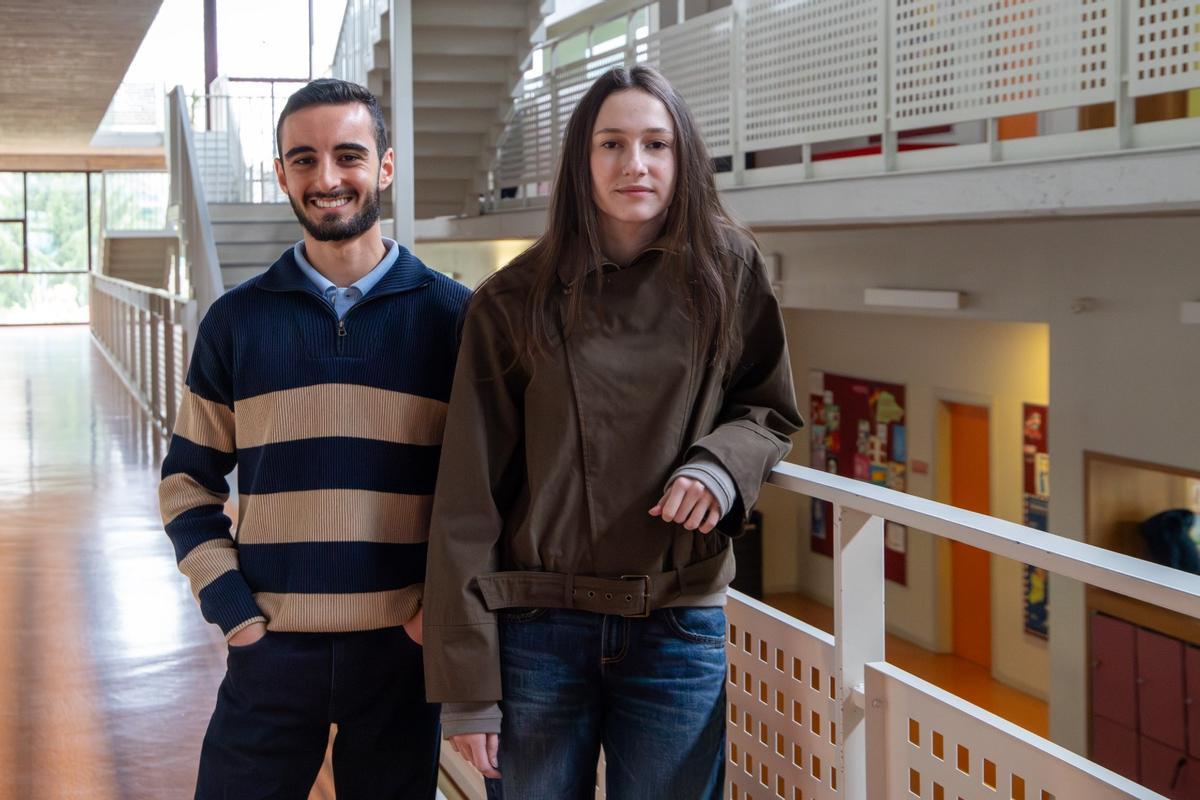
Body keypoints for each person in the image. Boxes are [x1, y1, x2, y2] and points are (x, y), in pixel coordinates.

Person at [423, 66, 803, 799]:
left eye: (657, 144)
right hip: (536, 629)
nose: (636, 164)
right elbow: (467, 503)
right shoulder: (509, 301)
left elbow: (767, 407)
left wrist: (719, 468)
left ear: (682, 157)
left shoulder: (730, 271)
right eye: (612, 144)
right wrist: (467, 689)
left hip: (676, 622)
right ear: (581, 159)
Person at [158, 78, 468, 799]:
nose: (326, 178)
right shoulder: (236, 321)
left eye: (348, 156)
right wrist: (235, 615)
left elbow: (489, 493)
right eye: (304, 159)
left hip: (401, 651)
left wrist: (431, 617)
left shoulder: (456, 318)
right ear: (282, 174)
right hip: (269, 650)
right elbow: (187, 486)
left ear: (384, 167)